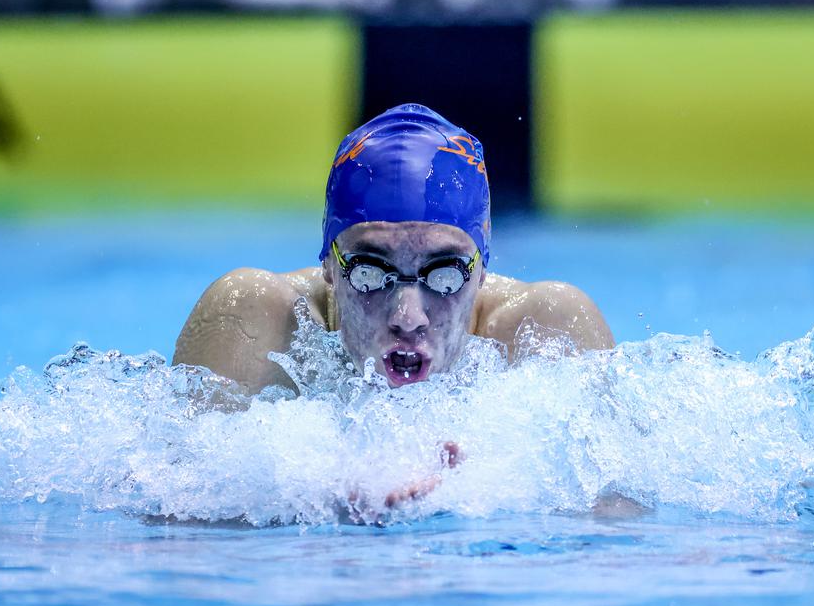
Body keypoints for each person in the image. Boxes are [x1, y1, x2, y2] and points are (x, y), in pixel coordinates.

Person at [173, 104, 615, 516]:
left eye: (444, 273)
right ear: (329, 263)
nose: (408, 316)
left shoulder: (547, 324)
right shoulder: (255, 313)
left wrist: (490, 489)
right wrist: (320, 500)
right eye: (370, 271)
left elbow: (611, 531)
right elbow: (184, 520)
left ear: (481, 269)